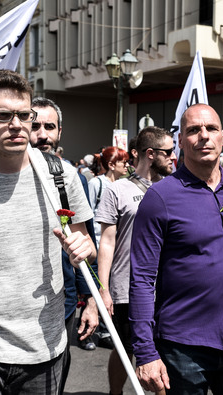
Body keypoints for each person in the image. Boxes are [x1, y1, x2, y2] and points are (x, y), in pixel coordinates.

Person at [0, 69, 95, 394]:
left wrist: (81, 250)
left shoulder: (62, 176)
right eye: (3, 115)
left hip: (44, 344)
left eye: (24, 115)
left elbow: (86, 241)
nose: (16, 125)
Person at [130, 104, 223, 393]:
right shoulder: (160, 197)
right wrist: (146, 351)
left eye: (210, 129)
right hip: (183, 350)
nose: (203, 136)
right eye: (193, 130)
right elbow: (142, 280)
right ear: (181, 142)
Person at [97, 126, 176, 395]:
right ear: (151, 154)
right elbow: (107, 241)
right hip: (126, 287)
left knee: (163, 351)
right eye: (169, 152)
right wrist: (104, 289)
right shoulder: (116, 189)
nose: (174, 157)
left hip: (167, 288)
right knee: (125, 348)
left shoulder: (174, 187)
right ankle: (115, 392)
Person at [30, 96, 100, 391]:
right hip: (16, 304)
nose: (42, 134)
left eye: (50, 126)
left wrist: (93, 300)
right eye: (35, 126)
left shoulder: (71, 178)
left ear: (59, 132)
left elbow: (87, 242)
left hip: (64, 301)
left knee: (52, 381)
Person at [88, 147, 129, 247]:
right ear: (111, 165)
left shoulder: (123, 184)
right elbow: (89, 214)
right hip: (98, 243)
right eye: (124, 162)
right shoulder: (96, 183)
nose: (127, 165)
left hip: (117, 244)